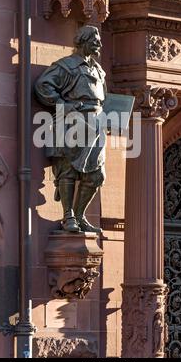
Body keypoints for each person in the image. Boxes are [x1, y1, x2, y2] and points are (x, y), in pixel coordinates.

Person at [34, 25, 107, 234]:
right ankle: (68, 216)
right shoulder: (66, 66)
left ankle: (80, 214)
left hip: (96, 123)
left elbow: (105, 98)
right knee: (68, 169)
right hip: (73, 121)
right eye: (95, 40)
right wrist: (63, 105)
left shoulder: (99, 70)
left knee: (97, 175)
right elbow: (43, 85)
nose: (99, 44)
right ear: (83, 41)